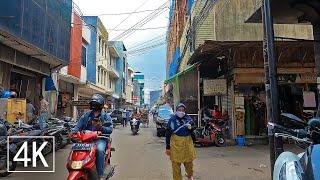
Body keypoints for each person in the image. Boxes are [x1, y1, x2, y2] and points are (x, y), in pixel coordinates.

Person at [72, 94, 113, 180]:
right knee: (76, 151)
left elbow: (110, 129)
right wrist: (73, 132)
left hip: (100, 139)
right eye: (93, 104)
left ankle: (100, 175)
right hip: (86, 140)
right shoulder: (86, 115)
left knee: (100, 150)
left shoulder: (106, 116)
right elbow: (78, 126)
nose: (94, 106)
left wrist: (101, 128)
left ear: (100, 105)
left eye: (96, 104)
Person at [165, 103, 196, 180]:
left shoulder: (188, 118)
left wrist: (191, 128)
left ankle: (189, 175)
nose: (181, 112)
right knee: (175, 164)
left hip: (187, 144)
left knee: (189, 163)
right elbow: (168, 134)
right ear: (176, 110)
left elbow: (194, 127)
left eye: (183, 110)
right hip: (176, 145)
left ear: (185, 110)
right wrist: (168, 147)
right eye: (179, 110)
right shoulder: (172, 120)